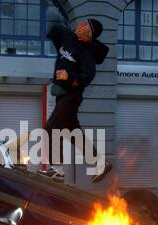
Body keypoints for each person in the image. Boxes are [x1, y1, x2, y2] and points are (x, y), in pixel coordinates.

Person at [39, 19, 113, 183]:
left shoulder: (86, 51)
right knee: (72, 132)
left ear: (89, 34)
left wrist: (69, 77)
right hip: (62, 94)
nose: (80, 26)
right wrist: (54, 26)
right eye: (81, 23)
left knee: (51, 128)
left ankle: (57, 170)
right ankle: (100, 163)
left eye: (85, 26)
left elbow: (88, 75)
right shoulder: (68, 39)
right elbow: (54, 31)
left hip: (72, 95)